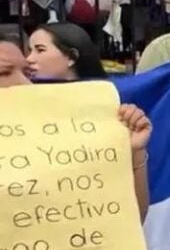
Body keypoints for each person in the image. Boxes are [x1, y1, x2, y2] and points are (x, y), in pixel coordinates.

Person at [14, 23, 150, 221]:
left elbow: (134, 208)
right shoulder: (20, 107)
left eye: (40, 50)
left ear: (71, 57)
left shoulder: (114, 105)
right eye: (29, 51)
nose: (29, 60)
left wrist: (136, 151)